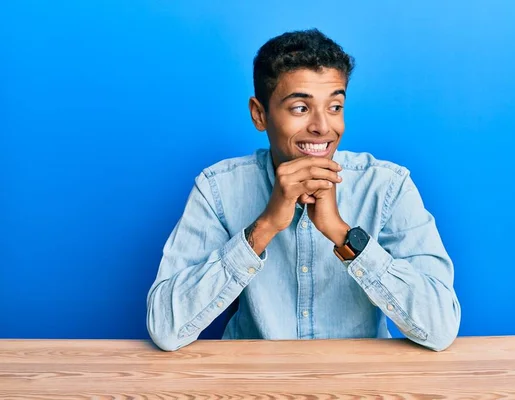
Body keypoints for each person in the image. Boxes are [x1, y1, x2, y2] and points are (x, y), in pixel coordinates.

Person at [146, 28, 460, 352]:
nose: (323, 127)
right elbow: (166, 328)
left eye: (335, 107)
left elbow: (440, 328)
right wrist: (265, 226)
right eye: (300, 108)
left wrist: (342, 233)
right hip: (255, 383)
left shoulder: (387, 187)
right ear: (259, 114)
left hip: (360, 383)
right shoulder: (218, 189)